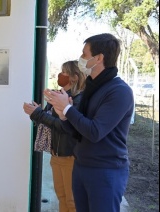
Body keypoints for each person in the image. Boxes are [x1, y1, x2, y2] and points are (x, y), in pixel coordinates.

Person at [44, 33, 134, 212]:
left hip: (105, 171)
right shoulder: (93, 88)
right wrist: (63, 113)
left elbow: (95, 131)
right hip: (82, 165)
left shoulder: (119, 91)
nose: (81, 59)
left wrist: (68, 110)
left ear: (99, 58)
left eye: (84, 54)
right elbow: (78, 129)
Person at [23, 60, 86, 212]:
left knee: (72, 201)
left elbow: (65, 126)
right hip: (56, 155)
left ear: (74, 77)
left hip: (70, 156)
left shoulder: (79, 100)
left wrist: (39, 114)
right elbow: (48, 121)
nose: (60, 75)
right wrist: (36, 112)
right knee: (62, 197)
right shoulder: (58, 95)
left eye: (64, 72)